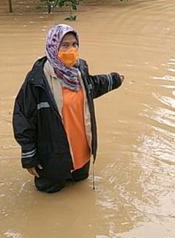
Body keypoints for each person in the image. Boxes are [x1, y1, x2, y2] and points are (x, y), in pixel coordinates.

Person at [13, 24, 124, 193]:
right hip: (52, 156)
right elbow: (23, 116)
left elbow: (92, 87)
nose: (71, 49)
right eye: (65, 45)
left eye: (74, 44)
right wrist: (29, 156)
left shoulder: (79, 71)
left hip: (81, 152)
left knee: (80, 187)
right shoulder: (37, 80)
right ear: (53, 46)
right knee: (50, 197)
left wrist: (114, 80)